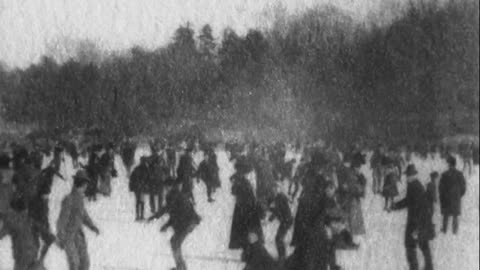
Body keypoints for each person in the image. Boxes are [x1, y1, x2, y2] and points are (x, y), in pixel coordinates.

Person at [148, 182, 201, 270]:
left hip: (187, 222)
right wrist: (166, 225)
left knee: (175, 242)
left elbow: (168, 209)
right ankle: (180, 266)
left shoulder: (173, 196)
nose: (165, 189)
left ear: (170, 186)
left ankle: (180, 267)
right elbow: (175, 213)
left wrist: (155, 217)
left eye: (166, 187)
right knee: (174, 241)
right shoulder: (177, 194)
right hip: (188, 221)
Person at [391, 164, 433, 270]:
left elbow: (418, 208)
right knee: (423, 243)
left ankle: (415, 267)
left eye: (408, 175)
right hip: (421, 220)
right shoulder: (414, 185)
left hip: (416, 221)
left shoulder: (415, 187)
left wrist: (417, 228)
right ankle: (429, 266)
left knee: (410, 244)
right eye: (407, 175)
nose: (407, 177)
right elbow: (408, 200)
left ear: (413, 175)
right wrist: (396, 205)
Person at [57, 170, 100, 270]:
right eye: (86, 184)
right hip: (69, 236)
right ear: (82, 184)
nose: (86, 187)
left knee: (85, 263)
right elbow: (62, 220)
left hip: (79, 236)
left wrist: (92, 226)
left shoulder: (80, 198)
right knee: (75, 264)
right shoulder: (69, 199)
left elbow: (84, 215)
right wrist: (61, 236)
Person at [229, 158, 263, 254]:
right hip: (247, 209)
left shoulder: (239, 180)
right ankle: (248, 251)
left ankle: (246, 250)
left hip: (241, 208)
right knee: (248, 230)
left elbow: (233, 192)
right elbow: (249, 196)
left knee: (242, 230)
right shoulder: (244, 181)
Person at [337, 152, 366, 237]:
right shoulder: (350, 174)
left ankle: (351, 232)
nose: (359, 170)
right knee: (349, 215)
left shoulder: (353, 173)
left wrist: (361, 183)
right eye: (358, 168)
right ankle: (349, 232)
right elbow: (352, 186)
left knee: (351, 215)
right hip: (349, 198)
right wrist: (361, 185)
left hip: (351, 197)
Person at [439, 156, 466, 234]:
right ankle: (455, 231)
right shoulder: (459, 174)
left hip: (446, 198)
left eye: (448, 163)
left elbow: (440, 187)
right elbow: (463, 187)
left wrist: (442, 195)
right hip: (455, 198)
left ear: (450, 164)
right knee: (455, 216)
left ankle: (444, 230)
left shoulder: (444, 174)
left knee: (445, 216)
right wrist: (458, 195)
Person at [268, 182, 293, 261]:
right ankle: (282, 256)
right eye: (272, 190)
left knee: (278, 238)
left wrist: (269, 219)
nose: (273, 191)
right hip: (286, 220)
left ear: (277, 189)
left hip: (287, 220)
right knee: (279, 238)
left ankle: (282, 257)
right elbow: (275, 210)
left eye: (275, 189)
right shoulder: (278, 197)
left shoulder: (280, 197)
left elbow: (276, 210)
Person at [129, 157, 150, 221]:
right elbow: (148, 179)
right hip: (142, 187)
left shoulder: (137, 169)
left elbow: (132, 178)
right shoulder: (146, 169)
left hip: (137, 188)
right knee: (142, 201)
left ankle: (138, 216)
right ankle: (141, 216)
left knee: (138, 201)